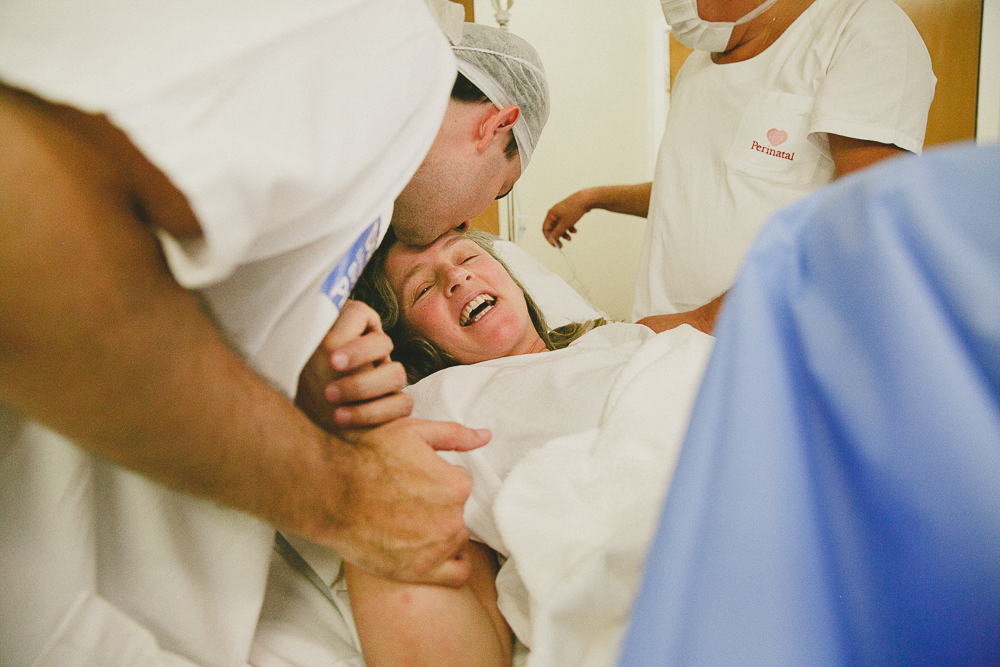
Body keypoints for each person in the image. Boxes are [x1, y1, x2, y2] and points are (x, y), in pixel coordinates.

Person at [0, 3, 549, 666]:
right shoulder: (385, 42)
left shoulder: (365, 174)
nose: (463, 229)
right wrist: (347, 495)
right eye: (501, 187)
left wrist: (299, 352)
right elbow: (27, 220)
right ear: (496, 127)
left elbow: (165, 275)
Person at [250, 228, 715, 667]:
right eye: (423, 289)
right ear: (409, 349)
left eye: (468, 255)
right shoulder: (440, 411)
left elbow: (752, 317)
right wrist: (365, 449)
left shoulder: (616, 339)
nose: (456, 276)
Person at [619, 141, 1000, 666]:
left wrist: (702, 322)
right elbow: (678, 194)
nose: (461, 277)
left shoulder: (850, 235)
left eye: (473, 254)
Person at [542, 0, 935, 324]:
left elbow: (864, 225)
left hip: (769, 341)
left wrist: (705, 319)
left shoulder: (861, 28)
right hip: (666, 337)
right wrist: (595, 197)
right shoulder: (696, 67)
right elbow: (700, 189)